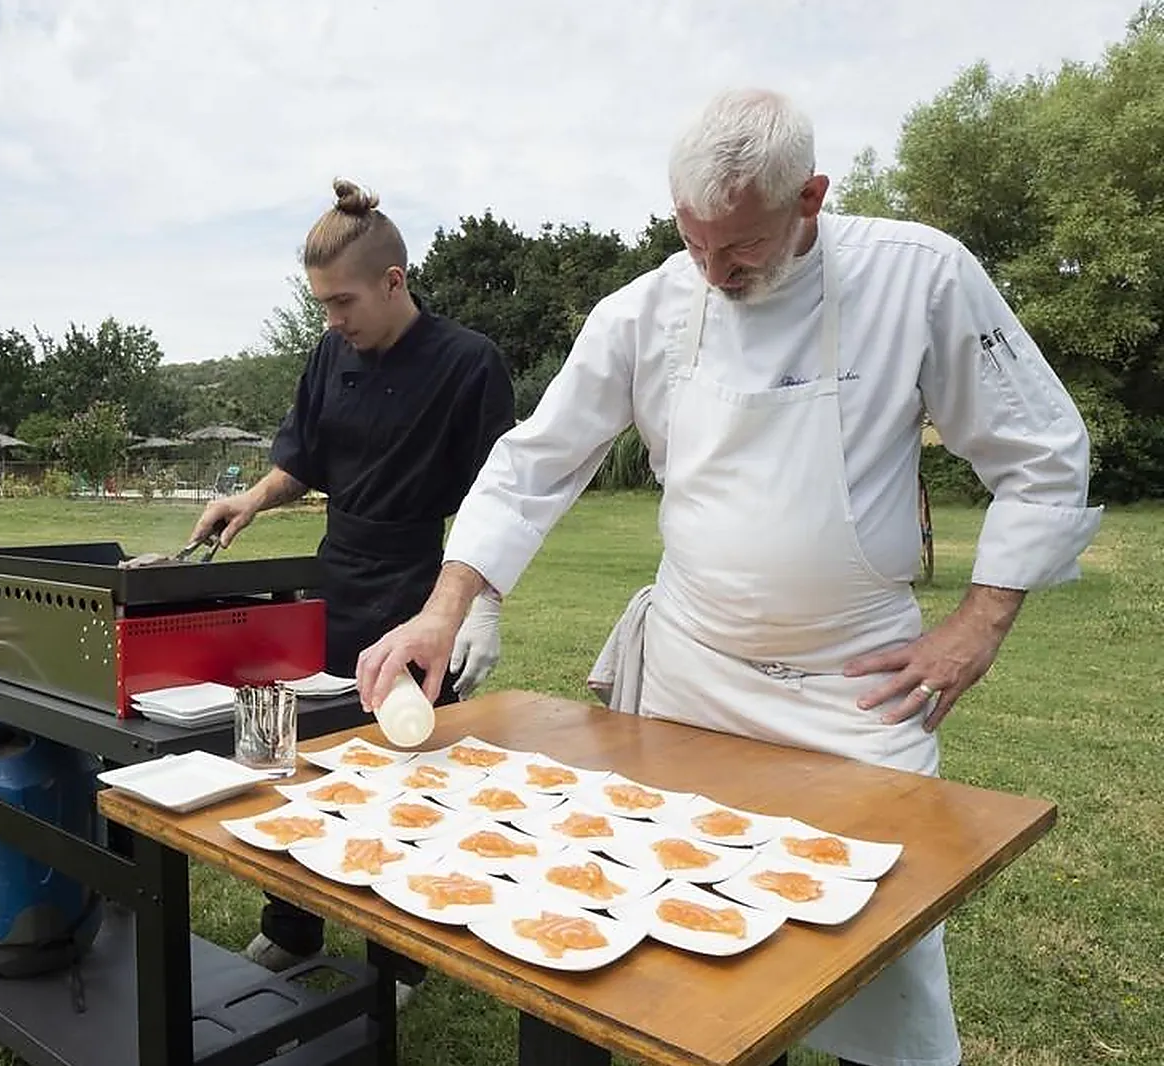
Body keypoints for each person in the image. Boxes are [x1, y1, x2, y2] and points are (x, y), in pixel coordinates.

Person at [355, 89, 1102, 1066]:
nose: (713, 269)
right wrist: (444, 608)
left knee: (870, 949)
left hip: (854, 689)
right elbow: (535, 460)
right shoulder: (648, 308)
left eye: (738, 249)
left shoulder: (917, 276)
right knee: (676, 937)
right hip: (688, 676)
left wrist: (978, 622)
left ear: (811, 200)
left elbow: (1041, 448)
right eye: (692, 241)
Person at [189, 178, 516, 1005]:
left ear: (395, 281)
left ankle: (396, 957)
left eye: (342, 302)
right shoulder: (332, 353)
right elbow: (304, 461)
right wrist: (251, 502)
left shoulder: (470, 363)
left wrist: (480, 608)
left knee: (400, 779)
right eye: (322, 305)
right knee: (297, 762)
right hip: (330, 581)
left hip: (417, 590)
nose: (332, 319)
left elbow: (499, 500)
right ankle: (293, 923)